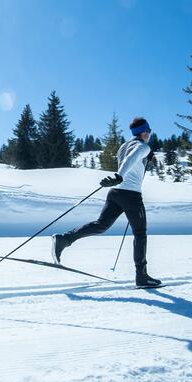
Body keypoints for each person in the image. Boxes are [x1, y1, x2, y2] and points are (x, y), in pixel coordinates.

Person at [52, 117, 161, 288]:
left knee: (101, 225)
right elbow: (130, 159)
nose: (149, 135)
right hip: (131, 195)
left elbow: (129, 157)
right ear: (145, 132)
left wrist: (146, 157)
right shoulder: (142, 147)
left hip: (115, 193)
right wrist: (120, 175)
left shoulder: (124, 146)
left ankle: (64, 239)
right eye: (149, 131)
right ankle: (142, 276)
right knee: (140, 233)